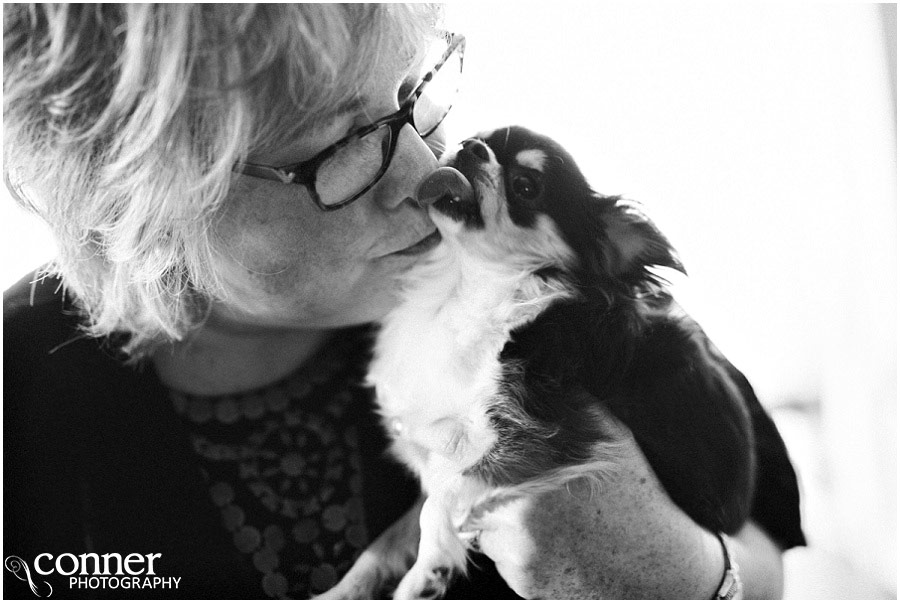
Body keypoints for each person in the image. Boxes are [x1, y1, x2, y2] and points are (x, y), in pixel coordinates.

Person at [3, 4, 804, 599]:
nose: (429, 172)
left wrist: (688, 576)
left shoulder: (541, 284)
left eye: (413, 95)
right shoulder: (20, 396)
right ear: (137, 209)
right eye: (341, 145)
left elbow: (770, 553)